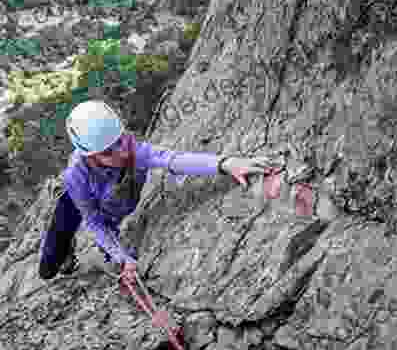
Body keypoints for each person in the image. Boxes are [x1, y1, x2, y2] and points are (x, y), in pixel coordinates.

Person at [38, 100, 273, 286]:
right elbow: (94, 221)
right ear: (89, 155)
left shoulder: (132, 152)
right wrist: (119, 254)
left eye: (120, 141)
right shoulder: (75, 175)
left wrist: (226, 163)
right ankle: (63, 254)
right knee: (50, 263)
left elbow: (172, 159)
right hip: (75, 195)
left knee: (114, 215)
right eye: (109, 151)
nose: (120, 152)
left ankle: (104, 251)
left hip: (106, 195)